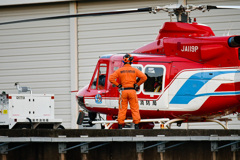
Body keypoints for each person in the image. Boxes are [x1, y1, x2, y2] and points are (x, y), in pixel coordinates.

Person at [109, 54, 147, 129]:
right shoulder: (134, 70)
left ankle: (120, 125)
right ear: (131, 61)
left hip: (123, 91)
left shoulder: (120, 70)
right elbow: (144, 77)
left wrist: (118, 85)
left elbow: (111, 78)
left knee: (122, 109)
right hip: (132, 91)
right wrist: (137, 84)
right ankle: (136, 125)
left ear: (124, 61)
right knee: (135, 108)